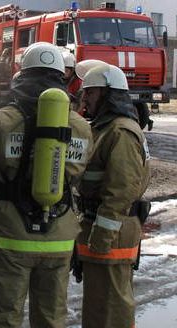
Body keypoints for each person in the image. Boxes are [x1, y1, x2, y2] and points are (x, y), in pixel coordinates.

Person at [0, 42, 93, 327]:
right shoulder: (81, 126)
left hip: (12, 236)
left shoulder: (2, 120)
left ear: (23, 75)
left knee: (2, 317)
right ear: (61, 77)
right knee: (51, 318)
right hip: (60, 237)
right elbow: (78, 176)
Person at [75, 61, 150, 328]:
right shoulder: (105, 128)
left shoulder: (121, 131)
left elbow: (121, 191)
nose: (85, 98)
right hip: (101, 228)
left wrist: (102, 236)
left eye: (91, 92)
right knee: (98, 305)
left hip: (112, 232)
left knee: (112, 308)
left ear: (109, 94)